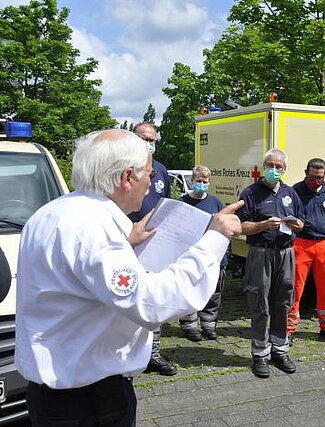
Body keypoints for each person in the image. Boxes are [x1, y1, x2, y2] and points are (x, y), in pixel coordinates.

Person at [16, 129, 242, 425]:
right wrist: (214, 238)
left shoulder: (53, 212)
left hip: (59, 393)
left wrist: (127, 242)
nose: (151, 184)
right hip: (88, 401)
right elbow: (153, 303)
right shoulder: (94, 230)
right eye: (148, 174)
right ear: (127, 178)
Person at [238, 148, 305, 378]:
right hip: (261, 254)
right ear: (263, 166)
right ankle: (259, 354)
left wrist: (298, 225)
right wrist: (263, 225)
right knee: (260, 304)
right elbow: (241, 227)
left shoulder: (290, 193)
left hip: (286, 253)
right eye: (270, 165)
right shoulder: (250, 193)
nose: (274, 170)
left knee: (283, 302)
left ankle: (280, 350)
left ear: (284, 170)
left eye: (279, 167)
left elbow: (302, 221)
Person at [128, 122, 176, 376]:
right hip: (126, 243)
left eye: (152, 139)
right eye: (143, 138)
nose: (148, 142)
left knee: (154, 299)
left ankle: (152, 354)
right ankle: (129, 354)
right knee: (128, 299)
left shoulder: (161, 170)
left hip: (154, 245)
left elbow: (165, 204)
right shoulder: (122, 166)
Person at [287, 158, 325, 343]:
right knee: (295, 287)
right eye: (313, 177)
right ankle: (288, 328)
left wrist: (323, 231)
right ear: (306, 173)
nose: (316, 181)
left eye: (320, 177)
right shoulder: (296, 191)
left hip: (324, 245)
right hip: (301, 244)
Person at [178, 165, 228, 342]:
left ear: (209, 182)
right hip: (190, 256)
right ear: (192, 181)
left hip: (214, 256)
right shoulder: (182, 202)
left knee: (213, 293)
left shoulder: (216, 203)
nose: (201, 184)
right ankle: (189, 325)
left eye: (205, 182)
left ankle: (208, 324)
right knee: (190, 290)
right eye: (198, 181)